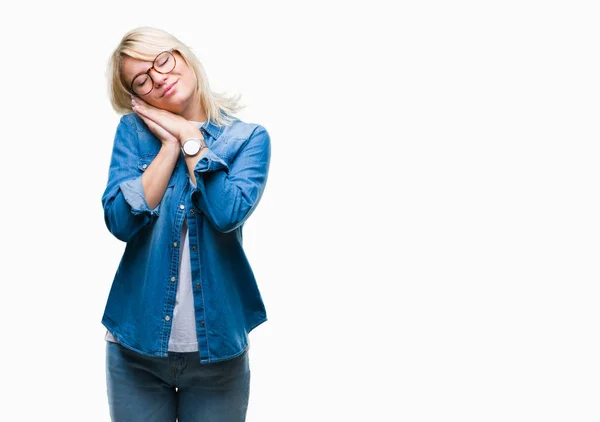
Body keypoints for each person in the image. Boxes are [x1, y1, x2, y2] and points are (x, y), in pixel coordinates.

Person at [101, 26, 271, 422]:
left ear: (183, 56)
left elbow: (226, 213)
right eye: (141, 80)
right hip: (135, 348)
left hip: (217, 355)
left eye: (162, 60)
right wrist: (170, 145)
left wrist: (192, 139)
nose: (157, 77)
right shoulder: (132, 134)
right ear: (138, 98)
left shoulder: (248, 140)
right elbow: (119, 222)